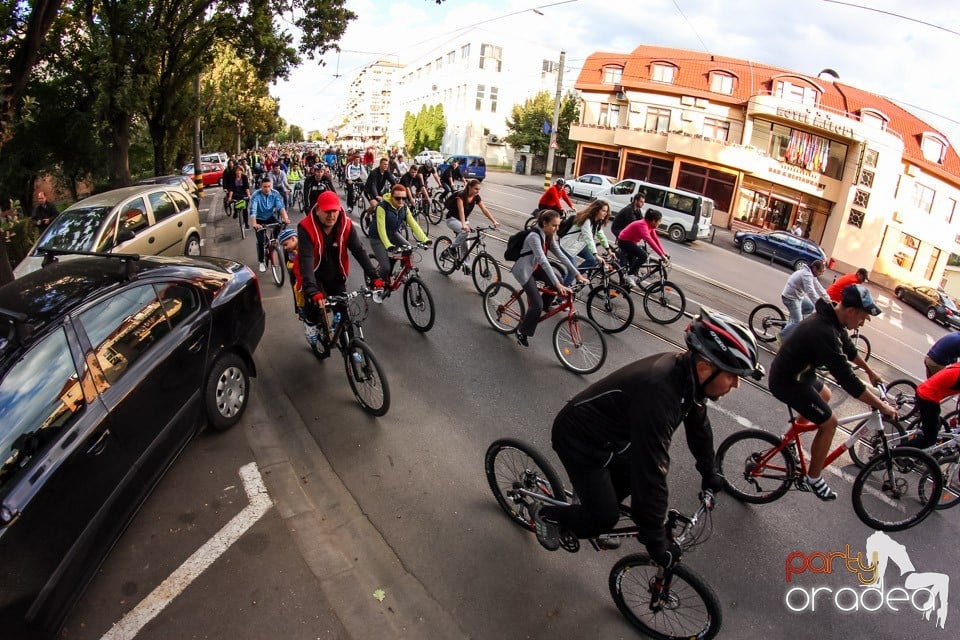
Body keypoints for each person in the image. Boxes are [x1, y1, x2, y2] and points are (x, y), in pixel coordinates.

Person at [531, 309, 762, 559]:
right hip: (580, 439)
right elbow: (651, 469)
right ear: (705, 368)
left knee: (620, 493)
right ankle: (546, 514)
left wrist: (710, 473)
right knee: (604, 516)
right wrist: (655, 540)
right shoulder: (659, 392)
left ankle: (587, 509)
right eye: (732, 376)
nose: (736, 384)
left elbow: (699, 429)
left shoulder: (688, 379)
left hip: (615, 440)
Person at [769, 284, 897, 500]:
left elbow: (849, 350)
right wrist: (881, 405)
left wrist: (871, 372)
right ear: (851, 311)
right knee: (830, 423)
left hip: (801, 373)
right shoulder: (824, 331)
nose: (862, 323)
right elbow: (848, 380)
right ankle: (814, 478)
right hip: (787, 381)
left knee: (825, 394)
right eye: (863, 317)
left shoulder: (833, 320)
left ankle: (788, 439)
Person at [296, 190, 382, 358]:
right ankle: (310, 324)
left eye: (334, 210)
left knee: (344, 312)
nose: (331, 215)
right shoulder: (306, 227)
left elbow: (358, 250)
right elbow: (306, 260)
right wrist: (312, 290)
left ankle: (351, 350)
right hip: (313, 272)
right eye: (327, 211)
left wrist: (375, 276)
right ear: (318, 210)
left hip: (336, 273)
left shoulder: (346, 225)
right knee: (314, 306)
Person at [511, 209, 586, 347]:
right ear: (544, 223)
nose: (557, 229)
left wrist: (577, 274)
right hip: (525, 270)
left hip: (535, 266)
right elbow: (544, 261)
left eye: (558, 226)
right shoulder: (534, 237)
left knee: (559, 281)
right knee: (536, 305)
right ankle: (522, 332)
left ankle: (545, 306)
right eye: (554, 225)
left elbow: (561, 256)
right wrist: (557, 284)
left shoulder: (548, 235)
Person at [370, 185, 431, 280]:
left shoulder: (404, 208)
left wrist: (425, 239)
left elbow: (413, 224)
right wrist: (388, 245)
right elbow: (381, 229)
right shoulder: (382, 207)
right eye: (398, 198)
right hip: (377, 237)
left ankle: (402, 273)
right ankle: (376, 283)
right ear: (391, 197)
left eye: (404, 198)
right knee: (386, 268)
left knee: (408, 248)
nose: (401, 201)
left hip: (392, 233)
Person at [443, 179, 500, 262]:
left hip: (464, 221)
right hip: (452, 219)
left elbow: (484, 210)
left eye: (479, 189)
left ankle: (466, 265)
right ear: (469, 187)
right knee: (465, 232)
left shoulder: (476, 197)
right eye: (476, 189)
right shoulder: (461, 195)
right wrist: (463, 224)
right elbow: (461, 210)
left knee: (465, 243)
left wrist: (494, 221)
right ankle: (451, 248)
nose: (477, 191)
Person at [558, 199, 613, 286]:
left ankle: (575, 276)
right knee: (573, 271)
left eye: (606, 211)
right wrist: (596, 254)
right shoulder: (587, 221)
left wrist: (608, 250)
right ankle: (560, 298)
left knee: (592, 260)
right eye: (603, 211)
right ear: (596, 210)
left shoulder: (597, 222)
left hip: (578, 245)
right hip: (568, 246)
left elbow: (601, 236)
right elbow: (589, 238)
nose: (605, 213)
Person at [618, 208, 669, 288]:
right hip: (624, 241)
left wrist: (663, 252)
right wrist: (661, 255)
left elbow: (656, 239)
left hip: (631, 242)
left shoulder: (650, 226)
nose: (660, 223)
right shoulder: (643, 225)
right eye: (659, 221)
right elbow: (649, 240)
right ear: (653, 221)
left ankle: (625, 287)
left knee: (634, 265)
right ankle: (628, 275)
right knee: (643, 256)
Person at [780, 259, 829, 340]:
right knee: (797, 322)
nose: (821, 274)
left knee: (810, 307)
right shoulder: (806, 275)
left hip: (798, 296)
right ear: (814, 268)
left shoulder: (811, 274)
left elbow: (819, 287)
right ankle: (781, 337)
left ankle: (792, 321)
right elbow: (811, 292)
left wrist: (828, 299)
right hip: (790, 298)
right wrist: (820, 305)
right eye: (820, 271)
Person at [249, 176, 290, 272]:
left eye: (268, 186)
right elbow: (253, 210)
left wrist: (286, 218)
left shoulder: (275, 193)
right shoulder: (256, 195)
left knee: (279, 225)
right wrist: (254, 223)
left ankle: (274, 240)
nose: (267, 189)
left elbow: (280, 207)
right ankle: (261, 261)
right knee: (260, 241)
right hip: (259, 219)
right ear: (261, 187)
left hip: (269, 217)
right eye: (264, 187)